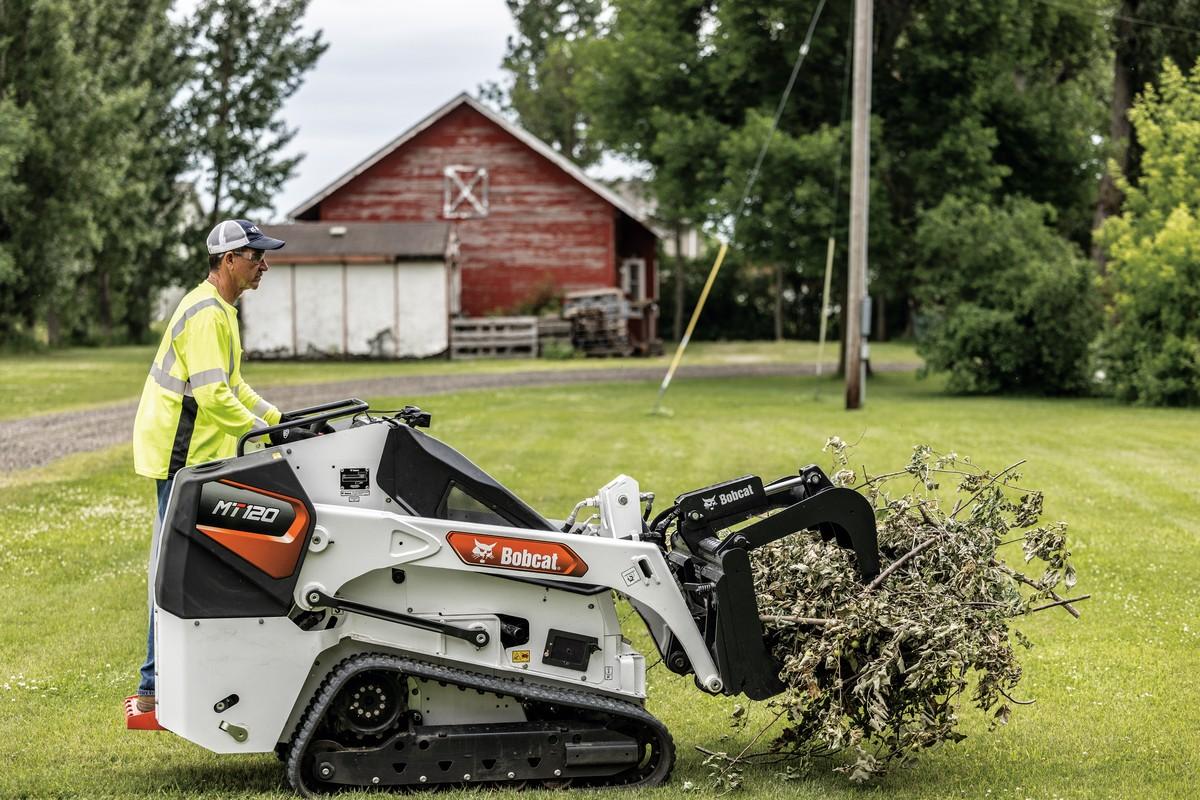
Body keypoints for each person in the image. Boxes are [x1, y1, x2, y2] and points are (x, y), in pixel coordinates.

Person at [130, 219, 286, 713]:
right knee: (174, 567)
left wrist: (281, 422)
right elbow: (214, 397)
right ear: (228, 261)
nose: (264, 264)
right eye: (255, 256)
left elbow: (234, 387)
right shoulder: (204, 314)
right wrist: (259, 434)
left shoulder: (222, 310)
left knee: (188, 563)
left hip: (196, 452)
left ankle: (168, 679)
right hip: (180, 455)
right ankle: (154, 685)